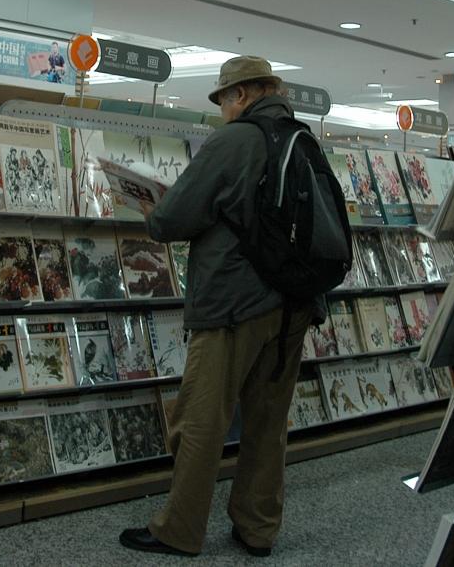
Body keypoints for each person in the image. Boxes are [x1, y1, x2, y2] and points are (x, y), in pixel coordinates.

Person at [119, 55, 322, 558]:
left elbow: (171, 219)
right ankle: (257, 528)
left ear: (242, 95)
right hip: (295, 304)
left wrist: (150, 207)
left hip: (235, 303)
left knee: (202, 420)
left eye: (223, 101)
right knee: (268, 424)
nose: (222, 111)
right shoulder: (303, 140)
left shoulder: (233, 141)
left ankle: (179, 530)